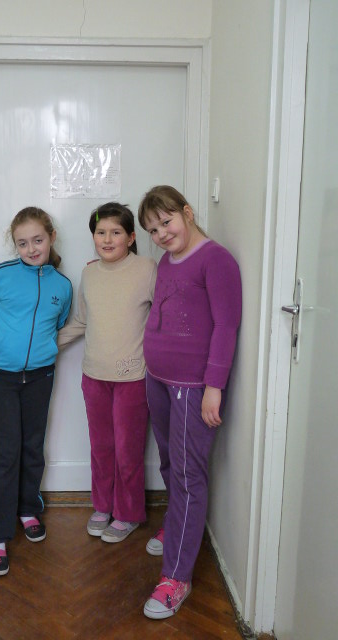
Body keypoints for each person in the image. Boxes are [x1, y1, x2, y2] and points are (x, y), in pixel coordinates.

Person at [137, 185, 242, 619]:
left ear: (187, 211)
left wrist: (214, 386)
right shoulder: (167, 260)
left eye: (167, 222)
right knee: (169, 463)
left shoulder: (216, 260)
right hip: (158, 380)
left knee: (187, 475)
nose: (162, 234)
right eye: (153, 230)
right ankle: (176, 527)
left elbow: (226, 326)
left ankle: (176, 577)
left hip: (191, 387)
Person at [0, 206, 72, 576]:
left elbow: (58, 324)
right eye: (23, 243)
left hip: (41, 376)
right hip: (0, 377)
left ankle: (28, 508)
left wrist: (36, 355)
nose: (31, 248)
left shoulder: (63, 286)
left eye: (38, 240)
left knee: (32, 446)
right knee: (4, 452)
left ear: (51, 237)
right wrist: (0, 350)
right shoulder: (1, 275)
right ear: (15, 245)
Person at [58, 202, 156, 543]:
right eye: (101, 232)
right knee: (101, 447)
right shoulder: (89, 274)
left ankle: (128, 513)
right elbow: (82, 321)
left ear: (131, 237)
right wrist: (44, 346)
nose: (107, 239)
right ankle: (102, 506)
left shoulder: (147, 269)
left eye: (116, 232)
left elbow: (162, 318)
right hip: (94, 377)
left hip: (133, 379)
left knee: (128, 451)